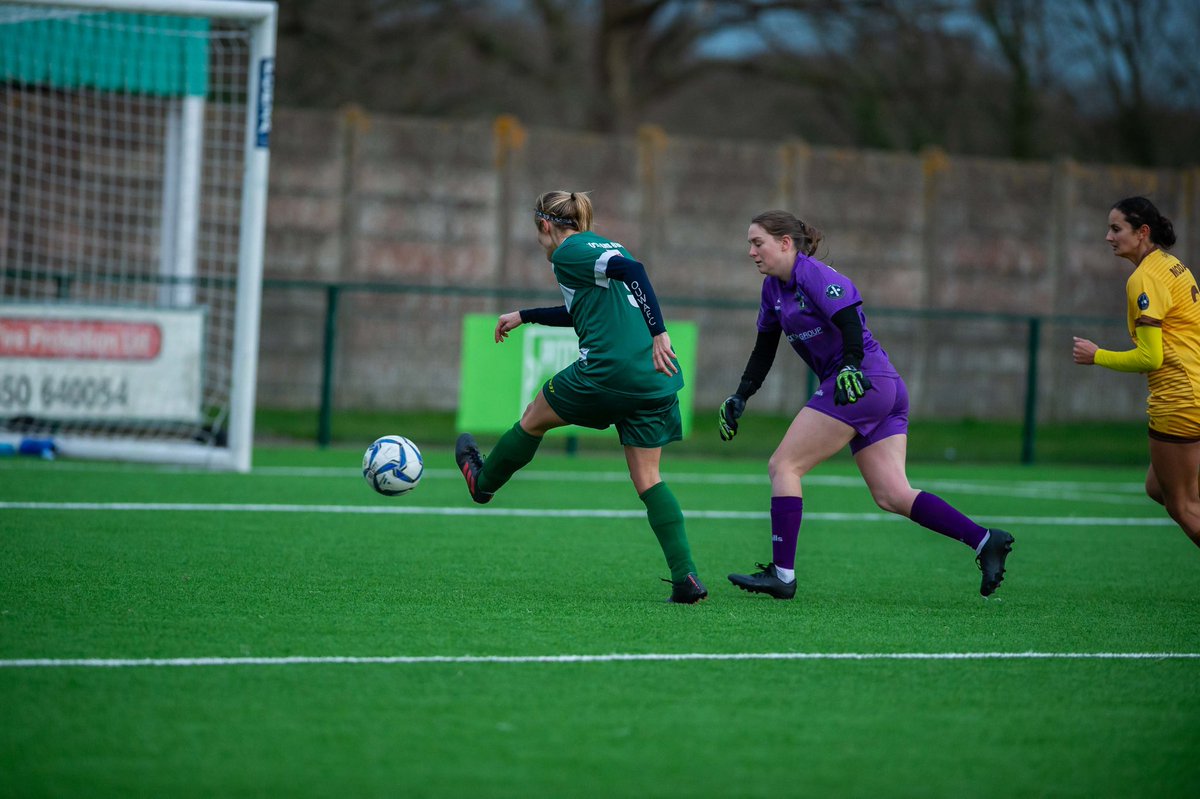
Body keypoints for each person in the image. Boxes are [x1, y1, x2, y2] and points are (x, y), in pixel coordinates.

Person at [720, 210, 1014, 599]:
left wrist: (850, 366)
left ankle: (783, 575)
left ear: (785, 243)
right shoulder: (773, 290)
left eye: (758, 243)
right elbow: (764, 350)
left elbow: (849, 321)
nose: (751, 251)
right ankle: (984, 540)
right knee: (892, 493)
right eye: (749, 244)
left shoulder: (813, 274)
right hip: (878, 386)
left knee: (784, 465)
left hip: (863, 383)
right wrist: (742, 394)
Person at [455, 190, 708, 603]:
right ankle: (687, 578)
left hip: (608, 371)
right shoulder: (604, 245)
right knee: (648, 480)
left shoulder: (567, 251)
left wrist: (660, 331)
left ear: (545, 225)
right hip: (654, 376)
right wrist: (525, 316)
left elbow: (636, 271)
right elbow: (581, 311)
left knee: (534, 416)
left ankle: (482, 483)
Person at [1072, 196, 1200, 549]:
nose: (1108, 237)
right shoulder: (1172, 266)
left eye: (1116, 229)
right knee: (1156, 487)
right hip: (1195, 391)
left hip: (1178, 402)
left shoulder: (1143, 279)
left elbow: (1150, 357)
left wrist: (1097, 356)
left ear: (1142, 232)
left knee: (1182, 506)